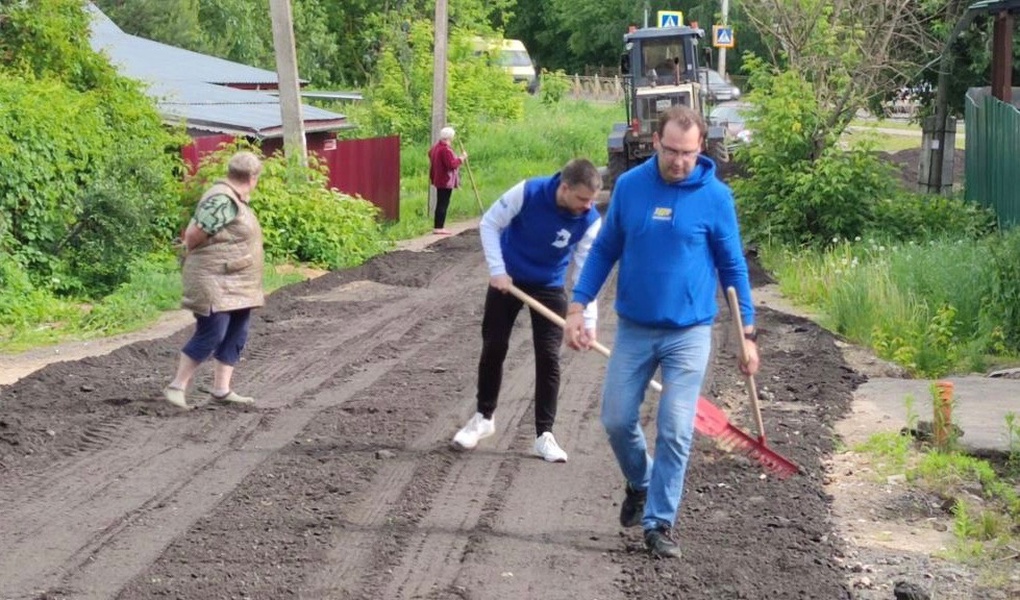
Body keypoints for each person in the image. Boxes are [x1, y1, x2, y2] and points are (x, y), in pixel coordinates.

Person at [563, 106, 760, 558]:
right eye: (671, 151)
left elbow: (733, 268)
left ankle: (659, 523)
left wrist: (746, 333)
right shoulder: (631, 188)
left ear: (701, 149)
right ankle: (641, 481)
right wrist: (577, 306)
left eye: (688, 154)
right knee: (615, 419)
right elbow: (603, 251)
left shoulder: (715, 197)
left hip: (690, 332)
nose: (678, 161)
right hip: (634, 327)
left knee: (674, 427)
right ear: (655, 143)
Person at [452, 158, 603, 462]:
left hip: (548, 285)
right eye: (582, 199)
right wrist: (497, 269)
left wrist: (587, 319)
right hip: (507, 279)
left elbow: (586, 272)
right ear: (565, 187)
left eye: (591, 201)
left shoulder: (590, 221)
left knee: (548, 356)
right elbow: (490, 223)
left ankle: (544, 435)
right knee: (494, 346)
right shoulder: (529, 192)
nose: (588, 206)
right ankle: (483, 418)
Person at [163, 151, 265, 410]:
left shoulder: (234, 199)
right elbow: (193, 235)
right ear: (253, 177)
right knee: (213, 332)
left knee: (236, 331)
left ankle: (221, 390)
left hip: (235, 281)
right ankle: (177, 386)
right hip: (215, 280)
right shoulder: (223, 200)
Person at [428, 126, 467, 235]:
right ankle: (439, 227)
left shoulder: (436, 147)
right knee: (443, 203)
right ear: (450, 137)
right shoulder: (445, 150)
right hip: (445, 180)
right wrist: (461, 158)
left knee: (441, 202)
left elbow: (430, 153)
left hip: (438, 178)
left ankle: (438, 226)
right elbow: (452, 165)